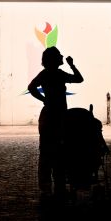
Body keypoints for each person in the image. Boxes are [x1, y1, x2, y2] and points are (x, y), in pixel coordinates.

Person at [28, 47, 83, 193]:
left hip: (48, 116)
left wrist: (44, 100)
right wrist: (71, 64)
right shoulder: (59, 74)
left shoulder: (45, 74)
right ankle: (58, 183)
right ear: (53, 59)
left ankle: (46, 186)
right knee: (60, 150)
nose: (62, 56)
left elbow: (31, 87)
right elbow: (79, 79)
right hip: (59, 117)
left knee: (46, 151)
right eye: (59, 55)